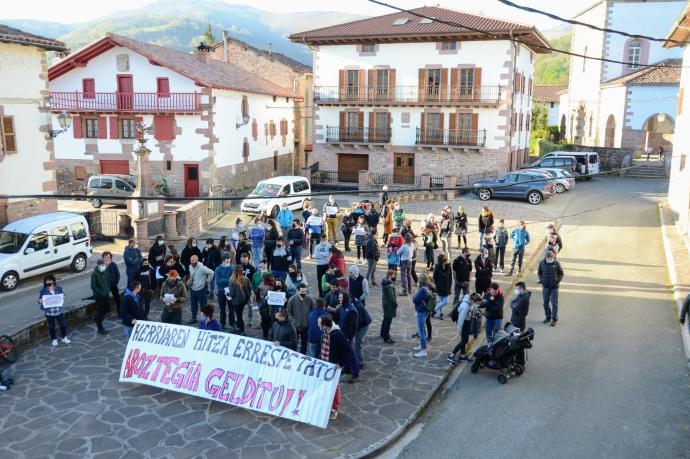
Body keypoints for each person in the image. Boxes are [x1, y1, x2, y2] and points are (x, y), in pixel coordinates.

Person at [318, 315, 351, 420]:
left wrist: (340, 363)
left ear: (325, 325)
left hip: (333, 366)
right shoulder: (324, 332)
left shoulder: (338, 335)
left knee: (334, 387)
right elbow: (322, 346)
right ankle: (326, 406)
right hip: (324, 364)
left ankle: (334, 409)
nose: (318, 325)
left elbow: (348, 350)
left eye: (319, 323)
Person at [447, 292, 483, 363]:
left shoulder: (469, 301)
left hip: (466, 323)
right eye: (477, 303)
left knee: (464, 340)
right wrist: (459, 329)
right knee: (464, 341)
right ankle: (451, 355)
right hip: (463, 324)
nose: (477, 305)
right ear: (474, 300)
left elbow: (472, 309)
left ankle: (462, 356)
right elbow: (461, 319)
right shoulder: (465, 306)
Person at [39, 274, 70, 346]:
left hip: (59, 311)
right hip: (49, 313)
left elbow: (63, 295)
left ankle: (64, 337)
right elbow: (39, 300)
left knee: (63, 325)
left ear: (53, 281)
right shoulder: (43, 290)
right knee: (51, 326)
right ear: (45, 282)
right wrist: (40, 301)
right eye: (47, 281)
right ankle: (54, 339)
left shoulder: (59, 288)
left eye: (50, 280)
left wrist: (64, 297)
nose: (49, 282)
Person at [337, 292, 360, 383]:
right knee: (345, 353)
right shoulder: (342, 307)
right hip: (343, 334)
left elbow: (353, 327)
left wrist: (350, 337)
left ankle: (356, 374)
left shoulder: (351, 310)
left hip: (348, 337)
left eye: (341, 298)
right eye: (339, 297)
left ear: (345, 298)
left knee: (351, 354)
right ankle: (347, 368)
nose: (339, 299)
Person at [538, 249, 564, 326]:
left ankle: (554, 319)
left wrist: (557, 281)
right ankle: (548, 317)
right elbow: (539, 273)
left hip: (554, 287)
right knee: (545, 303)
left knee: (554, 303)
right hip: (545, 287)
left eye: (552, 258)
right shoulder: (541, 263)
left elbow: (561, 273)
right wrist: (541, 280)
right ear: (546, 257)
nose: (551, 259)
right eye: (550, 258)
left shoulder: (556, 263)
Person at [186, 255, 214, 324]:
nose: (191, 262)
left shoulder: (202, 268)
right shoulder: (190, 266)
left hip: (201, 289)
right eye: (191, 261)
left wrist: (207, 281)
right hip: (192, 289)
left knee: (203, 305)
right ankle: (194, 318)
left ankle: (203, 319)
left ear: (197, 260)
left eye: (193, 261)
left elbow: (212, 272)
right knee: (193, 303)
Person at [288, 284, 315, 354]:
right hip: (295, 326)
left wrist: (309, 320)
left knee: (304, 344)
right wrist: (293, 321)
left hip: (306, 326)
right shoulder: (292, 299)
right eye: (302, 291)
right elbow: (289, 312)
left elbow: (313, 310)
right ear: (297, 291)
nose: (304, 293)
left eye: (305, 291)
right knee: (294, 343)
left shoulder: (309, 299)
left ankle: (302, 356)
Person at [412, 273, 432, 357]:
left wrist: (414, 296)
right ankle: (421, 345)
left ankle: (423, 350)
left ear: (421, 279)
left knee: (421, 332)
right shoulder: (426, 287)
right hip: (425, 310)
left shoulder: (422, 289)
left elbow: (415, 300)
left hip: (421, 311)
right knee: (422, 329)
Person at [229, 267, 252, 335]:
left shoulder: (232, 281)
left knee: (239, 316)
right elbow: (250, 288)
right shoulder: (246, 278)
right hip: (244, 300)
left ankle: (241, 330)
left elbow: (232, 293)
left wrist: (227, 293)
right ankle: (240, 329)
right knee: (240, 315)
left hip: (236, 301)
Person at [215, 253, 235, 331]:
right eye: (226, 259)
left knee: (231, 308)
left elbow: (232, 281)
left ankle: (232, 323)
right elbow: (217, 282)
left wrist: (223, 280)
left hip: (229, 291)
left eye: (229, 259)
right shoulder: (218, 269)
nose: (228, 261)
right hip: (221, 291)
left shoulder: (232, 269)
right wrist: (227, 280)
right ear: (223, 260)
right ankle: (222, 323)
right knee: (222, 309)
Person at [91, 258, 111, 335]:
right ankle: (100, 328)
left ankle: (97, 317)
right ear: (98, 265)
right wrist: (101, 292)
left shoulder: (106, 270)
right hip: (98, 295)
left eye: (104, 265)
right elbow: (93, 286)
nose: (103, 266)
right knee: (101, 311)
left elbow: (108, 280)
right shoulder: (94, 273)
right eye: (102, 265)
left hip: (106, 293)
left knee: (108, 308)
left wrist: (108, 289)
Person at [432, 253, 452, 320]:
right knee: (442, 301)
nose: (447, 261)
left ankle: (434, 310)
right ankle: (441, 313)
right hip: (440, 286)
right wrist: (437, 284)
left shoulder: (448, 266)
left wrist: (450, 284)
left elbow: (450, 276)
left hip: (446, 286)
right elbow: (435, 276)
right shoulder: (437, 266)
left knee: (445, 301)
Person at [380, 269, 397, 344]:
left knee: (385, 319)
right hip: (389, 305)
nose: (395, 276)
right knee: (388, 322)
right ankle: (386, 337)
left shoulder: (385, 282)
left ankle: (382, 333)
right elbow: (391, 298)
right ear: (390, 275)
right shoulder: (389, 286)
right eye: (394, 275)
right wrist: (395, 304)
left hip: (385, 304)